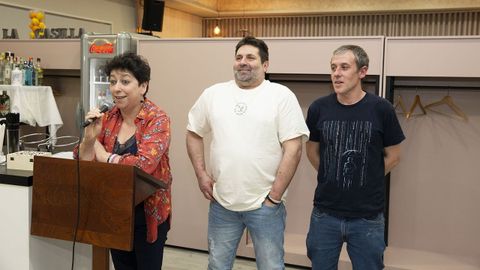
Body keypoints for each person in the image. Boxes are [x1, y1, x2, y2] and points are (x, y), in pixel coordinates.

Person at [186, 36, 309, 270]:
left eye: (250, 57)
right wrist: (201, 175)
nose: (243, 62)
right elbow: (193, 132)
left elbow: (293, 148)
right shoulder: (214, 94)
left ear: (265, 65)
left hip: (265, 205)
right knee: (217, 265)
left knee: (271, 266)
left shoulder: (281, 96)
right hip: (222, 203)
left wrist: (274, 196)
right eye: (239, 57)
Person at [305, 45, 405, 270]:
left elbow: (395, 156)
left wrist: (368, 177)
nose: (336, 73)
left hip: (367, 217)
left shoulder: (382, 109)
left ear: (362, 72)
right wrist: (331, 174)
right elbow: (311, 150)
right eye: (333, 68)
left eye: (344, 67)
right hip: (325, 214)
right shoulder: (319, 108)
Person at [76, 52, 172, 270]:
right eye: (112, 81)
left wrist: (104, 155)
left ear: (143, 86)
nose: (116, 88)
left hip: (147, 212)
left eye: (125, 81)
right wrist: (90, 140)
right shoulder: (107, 117)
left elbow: (144, 165)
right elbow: (82, 160)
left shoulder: (157, 119)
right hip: (114, 210)